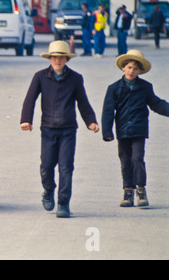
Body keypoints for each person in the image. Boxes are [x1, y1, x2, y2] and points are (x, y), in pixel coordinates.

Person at [20, 40, 99, 218]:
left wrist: (90, 121)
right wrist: (26, 119)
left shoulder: (75, 78)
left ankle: (63, 203)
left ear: (66, 59)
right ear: (49, 58)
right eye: (54, 57)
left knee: (66, 167)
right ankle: (48, 190)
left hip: (68, 130)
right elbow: (30, 99)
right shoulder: (40, 76)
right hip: (47, 129)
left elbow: (83, 103)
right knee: (46, 167)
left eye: (61, 57)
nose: (57, 60)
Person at [101, 50, 169, 207]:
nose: (132, 71)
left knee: (137, 159)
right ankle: (127, 191)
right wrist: (107, 132)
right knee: (125, 160)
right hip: (123, 131)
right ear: (123, 68)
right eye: (129, 67)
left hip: (139, 129)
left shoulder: (145, 87)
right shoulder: (114, 88)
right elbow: (108, 110)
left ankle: (140, 189)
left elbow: (156, 104)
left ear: (139, 71)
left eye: (135, 69)